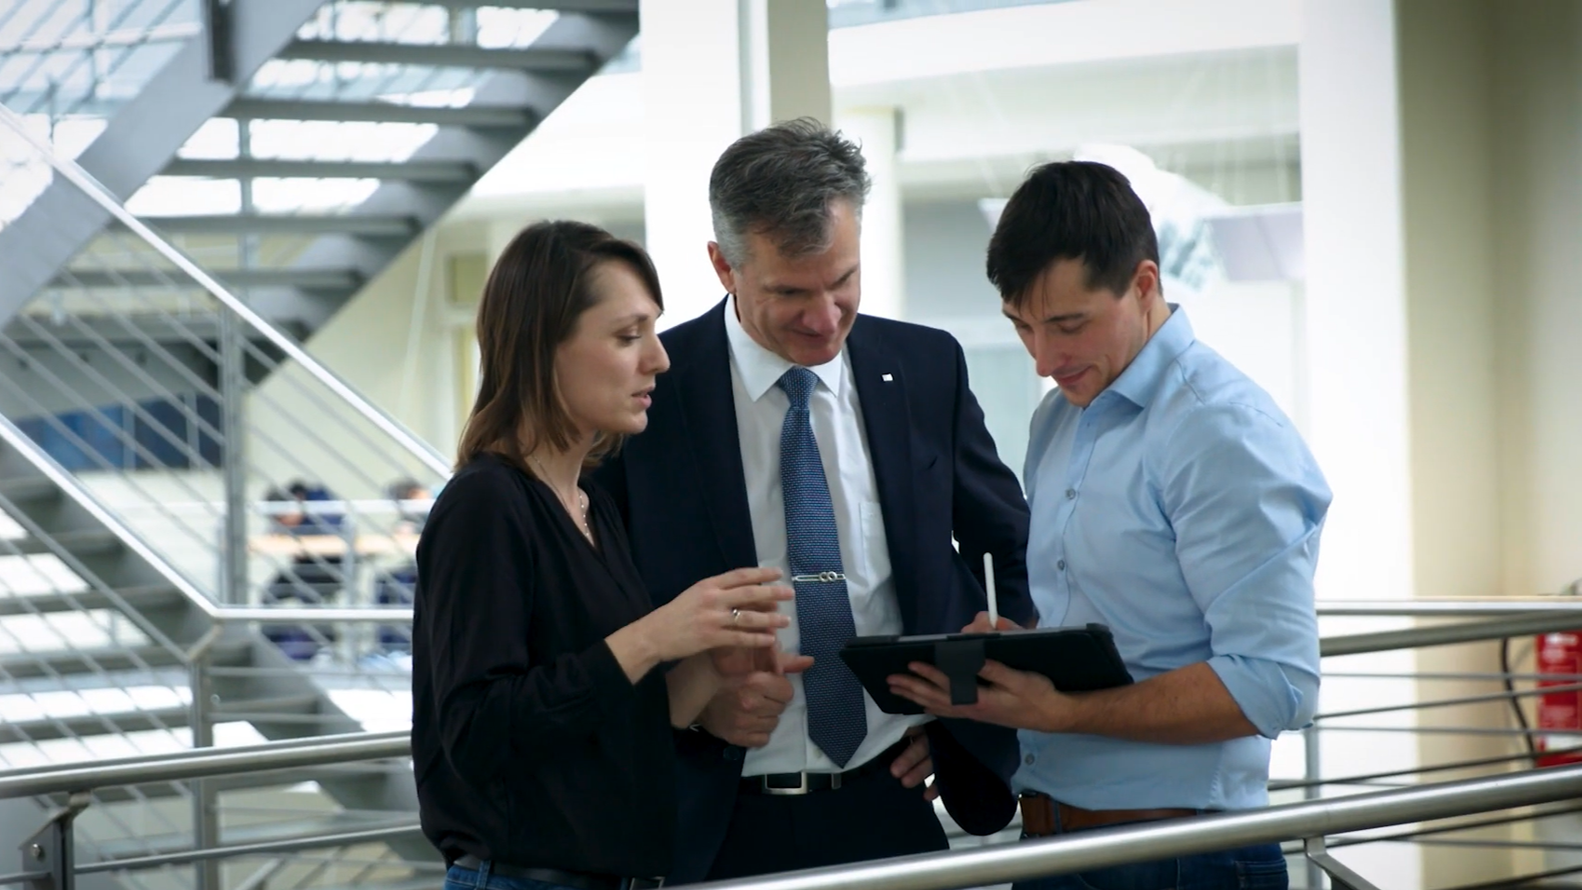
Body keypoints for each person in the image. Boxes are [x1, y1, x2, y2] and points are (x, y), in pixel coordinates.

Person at [590, 119, 1036, 883]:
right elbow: (597, 623)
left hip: (891, 802)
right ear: (723, 267)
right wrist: (692, 706)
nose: (825, 318)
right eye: (790, 293)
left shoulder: (926, 368)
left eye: (843, 282)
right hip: (712, 822)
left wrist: (959, 712)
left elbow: (1008, 554)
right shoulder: (647, 398)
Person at [887, 160, 1331, 890]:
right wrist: (1023, 662)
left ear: (1145, 285)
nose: (1043, 358)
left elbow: (1277, 684)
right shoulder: (1059, 417)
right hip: (1052, 844)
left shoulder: (1219, 429)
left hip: (1184, 860)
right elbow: (1123, 636)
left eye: (1068, 325)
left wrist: (1064, 711)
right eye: (1022, 327)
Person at [411, 221, 794, 890]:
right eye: (627, 337)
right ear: (542, 349)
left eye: (652, 331)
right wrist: (654, 635)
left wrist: (707, 669)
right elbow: (476, 733)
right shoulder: (486, 506)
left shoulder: (591, 504)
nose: (659, 359)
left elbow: (606, 720)